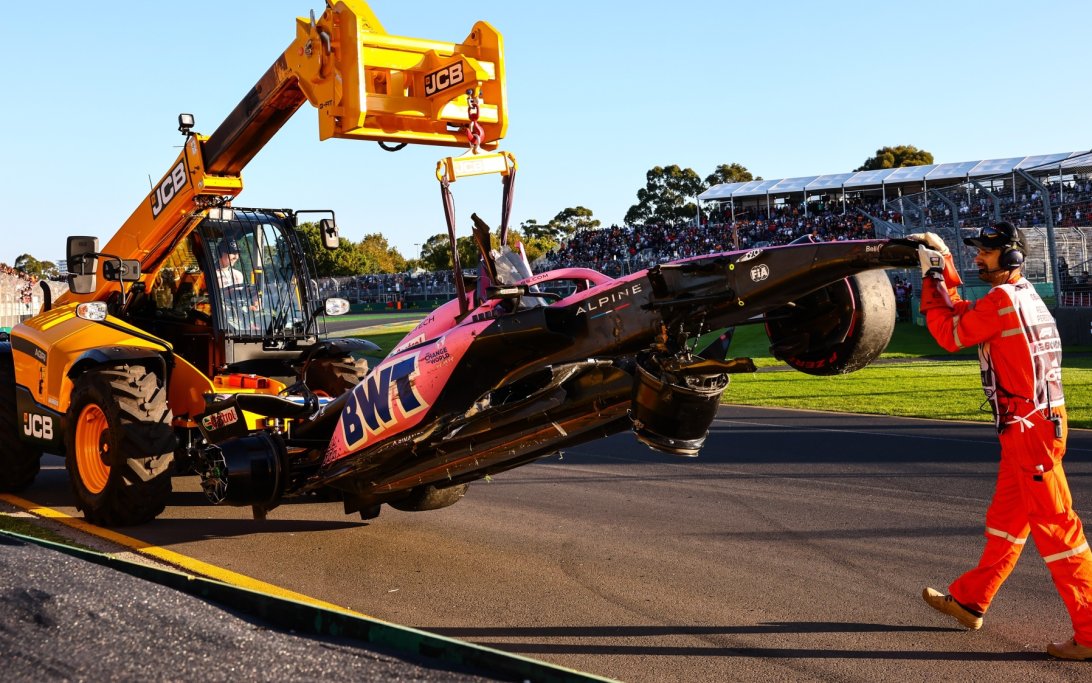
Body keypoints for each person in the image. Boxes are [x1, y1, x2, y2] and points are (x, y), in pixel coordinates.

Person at [912, 222, 1092, 660]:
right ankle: (971, 600)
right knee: (1005, 525)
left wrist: (934, 277)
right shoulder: (1021, 295)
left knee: (1058, 531)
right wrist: (944, 268)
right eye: (975, 252)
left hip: (1031, 432)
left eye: (986, 253)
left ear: (1012, 257)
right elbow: (964, 316)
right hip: (1032, 427)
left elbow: (950, 332)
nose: (978, 258)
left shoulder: (1002, 301)